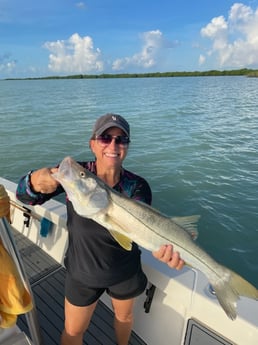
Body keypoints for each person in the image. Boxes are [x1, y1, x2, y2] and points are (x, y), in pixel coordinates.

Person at [16, 113, 184, 345]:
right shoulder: (78, 174)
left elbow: (145, 227)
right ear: (93, 143)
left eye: (121, 139)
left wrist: (161, 248)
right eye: (105, 138)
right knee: (73, 331)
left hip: (125, 271)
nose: (113, 145)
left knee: (124, 316)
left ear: (127, 146)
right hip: (82, 271)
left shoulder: (137, 185)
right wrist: (34, 180)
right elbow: (24, 196)